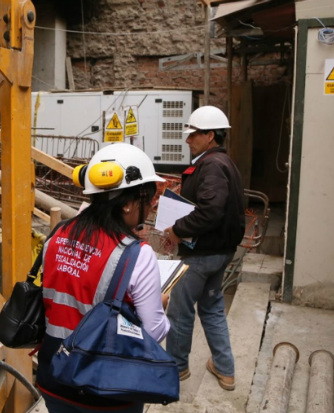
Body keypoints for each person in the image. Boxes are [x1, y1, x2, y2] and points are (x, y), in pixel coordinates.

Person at [36, 143, 170, 413]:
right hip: (105, 389)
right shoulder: (137, 255)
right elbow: (153, 331)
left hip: (54, 376)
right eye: (150, 198)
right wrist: (162, 304)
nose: (152, 206)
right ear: (129, 204)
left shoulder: (57, 235)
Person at [162, 105, 245, 390]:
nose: (188, 140)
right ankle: (225, 369)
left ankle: (176, 367)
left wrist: (176, 230)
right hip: (220, 253)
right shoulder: (223, 163)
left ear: (210, 135)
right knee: (211, 308)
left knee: (179, 310)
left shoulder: (210, 165)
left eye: (193, 135)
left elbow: (211, 211)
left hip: (202, 254)